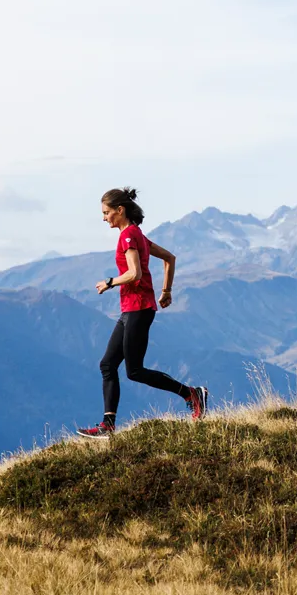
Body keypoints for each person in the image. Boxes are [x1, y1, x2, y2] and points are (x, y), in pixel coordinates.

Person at [76, 187, 207, 437]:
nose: (104, 218)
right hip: (133, 310)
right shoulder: (137, 235)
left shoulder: (128, 237)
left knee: (134, 371)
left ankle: (192, 393)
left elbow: (134, 273)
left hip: (138, 309)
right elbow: (170, 258)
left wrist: (110, 282)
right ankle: (108, 425)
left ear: (120, 210)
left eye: (106, 213)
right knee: (107, 364)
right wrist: (166, 291)